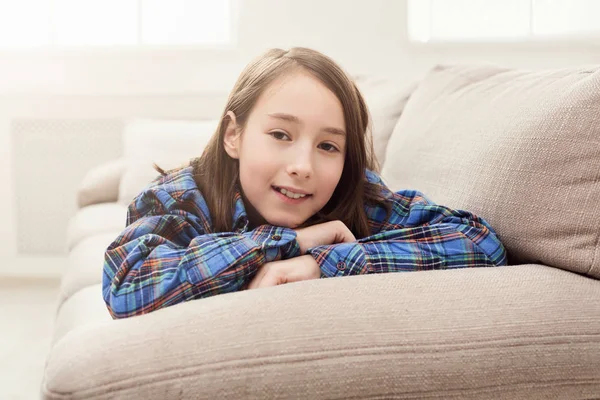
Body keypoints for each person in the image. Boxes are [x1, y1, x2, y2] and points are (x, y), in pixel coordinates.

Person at [102, 47, 507, 319]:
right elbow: (128, 285)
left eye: (328, 145)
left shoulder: (354, 196)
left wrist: (321, 263)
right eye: (281, 135)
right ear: (234, 135)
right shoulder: (181, 198)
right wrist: (293, 241)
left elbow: (481, 243)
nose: (303, 166)